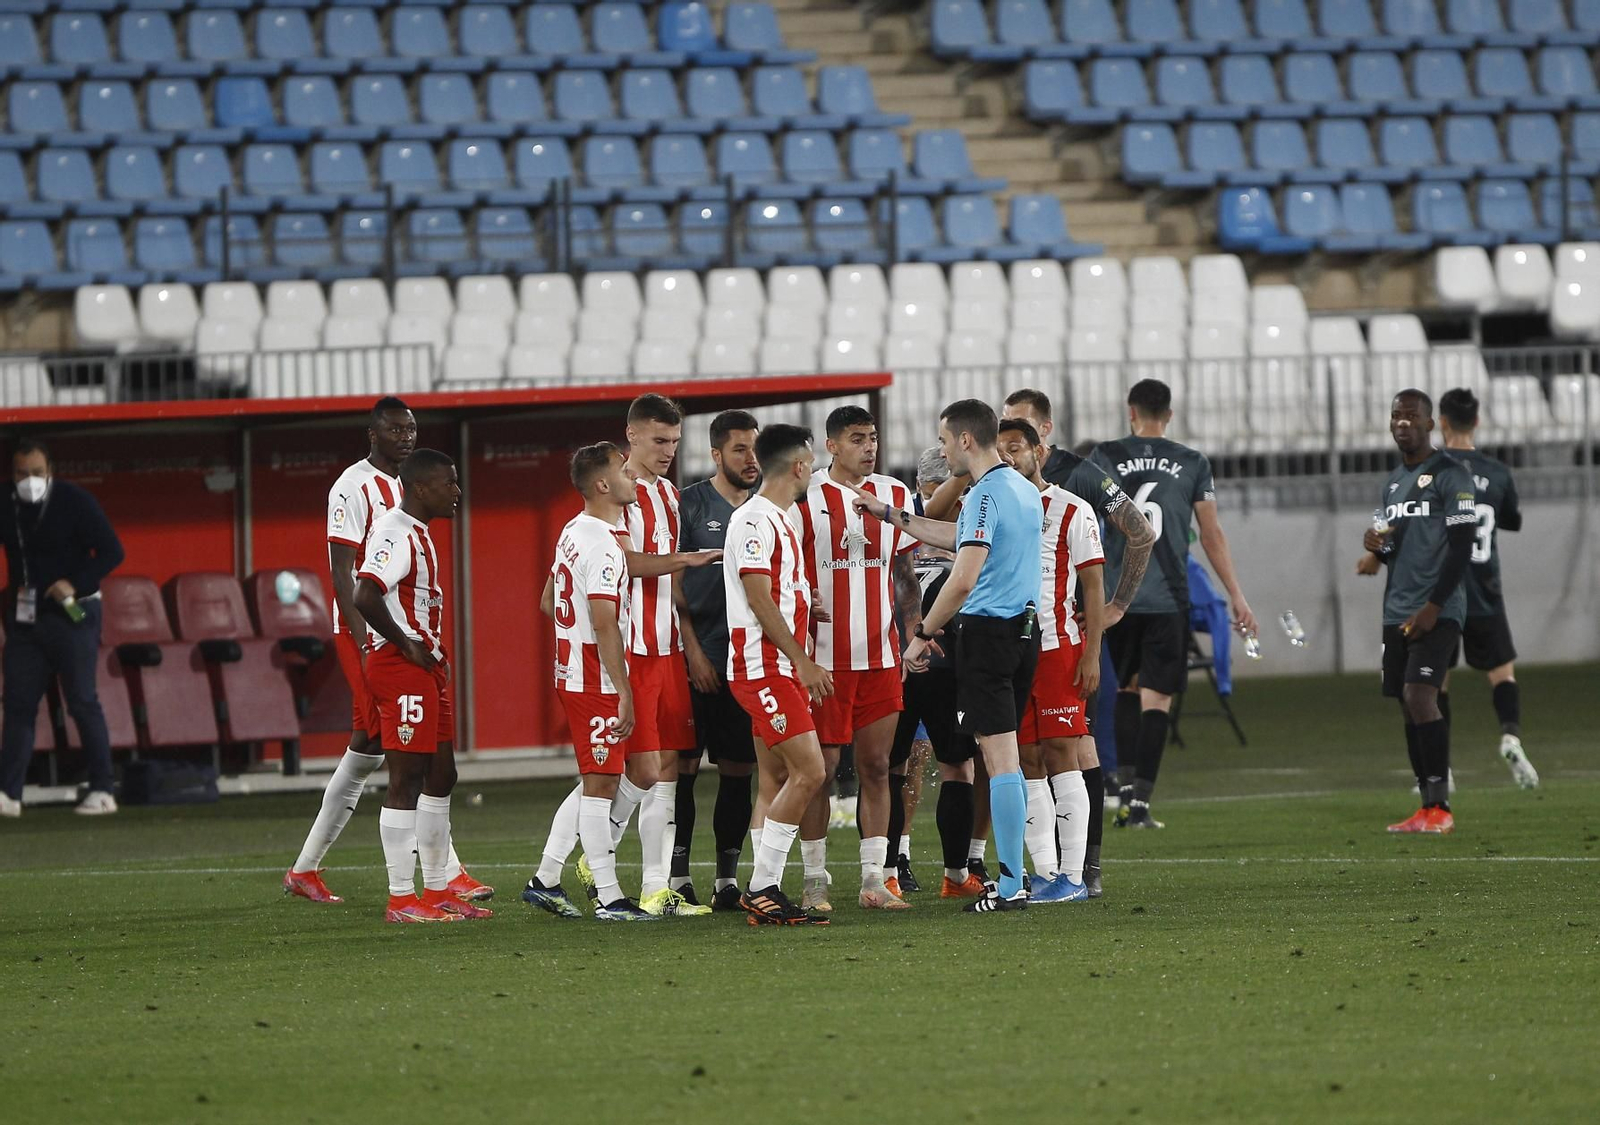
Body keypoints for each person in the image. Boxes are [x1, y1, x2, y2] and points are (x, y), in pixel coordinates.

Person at [284, 397, 489, 905]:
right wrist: (369, 644)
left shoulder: (415, 489)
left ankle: (307, 867)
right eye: (395, 430)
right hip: (371, 634)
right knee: (403, 755)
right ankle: (432, 880)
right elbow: (345, 574)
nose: (406, 436)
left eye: (411, 428)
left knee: (375, 746)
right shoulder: (352, 487)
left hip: (400, 636)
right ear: (372, 434)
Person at [852, 399, 1044, 914]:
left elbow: (962, 577)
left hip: (987, 636)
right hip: (1026, 635)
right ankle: (1012, 878)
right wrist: (890, 515)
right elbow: (955, 537)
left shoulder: (982, 495)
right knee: (1003, 759)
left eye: (943, 439)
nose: (940, 449)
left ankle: (1010, 885)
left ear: (964, 440)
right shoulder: (1023, 490)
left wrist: (921, 633)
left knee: (999, 760)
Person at [1001, 388, 1154, 889]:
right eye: (1003, 430)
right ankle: (1054, 870)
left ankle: (1083, 868)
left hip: (1066, 636)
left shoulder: (1083, 478)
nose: (1008, 443)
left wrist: (1115, 609)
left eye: (1020, 431)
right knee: (1032, 754)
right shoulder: (997, 486)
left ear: (1043, 433)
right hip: (1015, 642)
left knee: (1073, 749)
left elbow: (1140, 530)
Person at [1090, 379, 1257, 829]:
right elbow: (1211, 534)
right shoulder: (1191, 462)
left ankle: (1122, 795)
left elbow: (1081, 521)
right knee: (1156, 700)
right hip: (1167, 598)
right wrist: (1235, 595)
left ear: (1131, 412)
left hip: (1117, 600)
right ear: (1169, 415)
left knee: (1123, 690)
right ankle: (1141, 805)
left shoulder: (1105, 456)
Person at [794, 405, 922, 912]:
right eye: (856, 438)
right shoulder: (805, 496)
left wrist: (914, 629)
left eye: (872, 437)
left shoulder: (893, 493)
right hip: (823, 661)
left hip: (880, 656)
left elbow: (905, 571)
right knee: (821, 771)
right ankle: (814, 879)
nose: (869, 446)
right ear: (831, 446)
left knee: (876, 765)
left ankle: (874, 880)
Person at [354, 449, 490, 924]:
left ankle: (436, 891)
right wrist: (406, 644)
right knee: (407, 779)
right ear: (417, 488)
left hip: (424, 664)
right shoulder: (393, 532)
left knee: (442, 774)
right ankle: (399, 899)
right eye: (448, 483)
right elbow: (364, 592)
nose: (456, 491)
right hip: (398, 665)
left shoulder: (419, 531)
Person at [524, 443, 656, 922]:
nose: (634, 477)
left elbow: (547, 600)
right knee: (600, 787)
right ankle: (608, 897)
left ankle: (545, 878)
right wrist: (623, 691)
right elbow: (605, 623)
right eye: (625, 471)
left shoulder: (574, 531)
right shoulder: (602, 544)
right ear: (603, 485)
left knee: (595, 782)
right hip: (593, 679)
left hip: (577, 672)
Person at [725, 424, 834, 926]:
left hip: (778, 663)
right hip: (765, 667)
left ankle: (764, 890)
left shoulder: (780, 518)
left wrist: (803, 609)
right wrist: (804, 659)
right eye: (811, 461)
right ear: (798, 467)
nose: (813, 469)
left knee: (774, 778)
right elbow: (757, 595)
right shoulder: (754, 520)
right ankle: (762, 886)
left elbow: (774, 593)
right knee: (810, 770)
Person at [996, 419, 1105, 904]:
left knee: (1062, 754)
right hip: (1012, 651)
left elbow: (1094, 587)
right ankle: (1044, 874)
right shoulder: (992, 507)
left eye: (1016, 449)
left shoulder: (1071, 509)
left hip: (1060, 647)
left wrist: (1092, 653)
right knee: (1027, 759)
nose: (1008, 459)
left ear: (1039, 451)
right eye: (1000, 452)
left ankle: (1074, 876)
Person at [1361, 390, 1480, 834]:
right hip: (1397, 610)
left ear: (1431, 424)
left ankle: (1441, 807)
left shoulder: (1453, 474)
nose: (1402, 422)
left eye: (1411, 415)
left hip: (1438, 608)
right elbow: (1393, 546)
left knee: (1420, 696)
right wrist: (1377, 546)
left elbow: (1463, 544)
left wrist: (1434, 606)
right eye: (1396, 415)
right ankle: (1425, 807)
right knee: (1406, 704)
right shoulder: (1392, 482)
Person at [619, 393, 710, 917]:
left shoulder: (670, 497)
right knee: (637, 770)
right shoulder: (614, 491)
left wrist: (689, 643)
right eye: (659, 440)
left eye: (674, 441)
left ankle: (657, 887)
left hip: (666, 646)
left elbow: (673, 581)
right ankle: (582, 858)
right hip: (629, 648)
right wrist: (683, 557)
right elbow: (623, 562)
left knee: (670, 765)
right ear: (631, 436)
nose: (668, 450)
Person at [0, 438, 125, 818]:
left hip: (75, 612)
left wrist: (76, 580)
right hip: (26, 617)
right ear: (12, 474)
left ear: (50, 471)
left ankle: (103, 789)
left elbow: (111, 551)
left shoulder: (75, 500)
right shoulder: (5, 503)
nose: (30, 480)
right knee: (19, 704)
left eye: (37, 473)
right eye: (22, 473)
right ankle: (9, 794)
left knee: (82, 701)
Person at [675, 410, 762, 911]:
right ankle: (678, 873)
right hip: (699, 658)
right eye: (738, 450)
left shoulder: (768, 509)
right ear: (715, 454)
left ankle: (727, 878)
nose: (750, 459)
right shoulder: (689, 505)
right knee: (682, 768)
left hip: (746, 662)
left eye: (754, 449)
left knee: (737, 770)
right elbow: (671, 583)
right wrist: (692, 651)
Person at [1436, 387, 1538, 789]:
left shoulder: (1431, 471)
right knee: (1502, 673)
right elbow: (1511, 520)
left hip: (1440, 593)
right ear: (1477, 420)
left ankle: (1440, 768)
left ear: (1441, 421)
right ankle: (1510, 735)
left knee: (1436, 679)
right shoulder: (1497, 472)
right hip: (1484, 588)